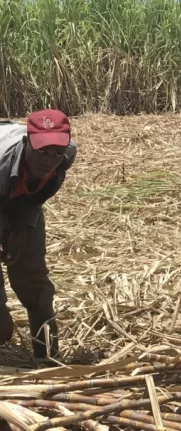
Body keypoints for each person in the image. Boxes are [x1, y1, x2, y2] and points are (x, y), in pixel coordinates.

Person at [0, 109, 77, 361]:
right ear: (27, 143)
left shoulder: (66, 156)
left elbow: (35, 197)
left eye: (56, 151)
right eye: (42, 150)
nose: (49, 159)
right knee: (1, 329)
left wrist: (22, 230)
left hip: (17, 197)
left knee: (34, 282)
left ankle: (48, 360)